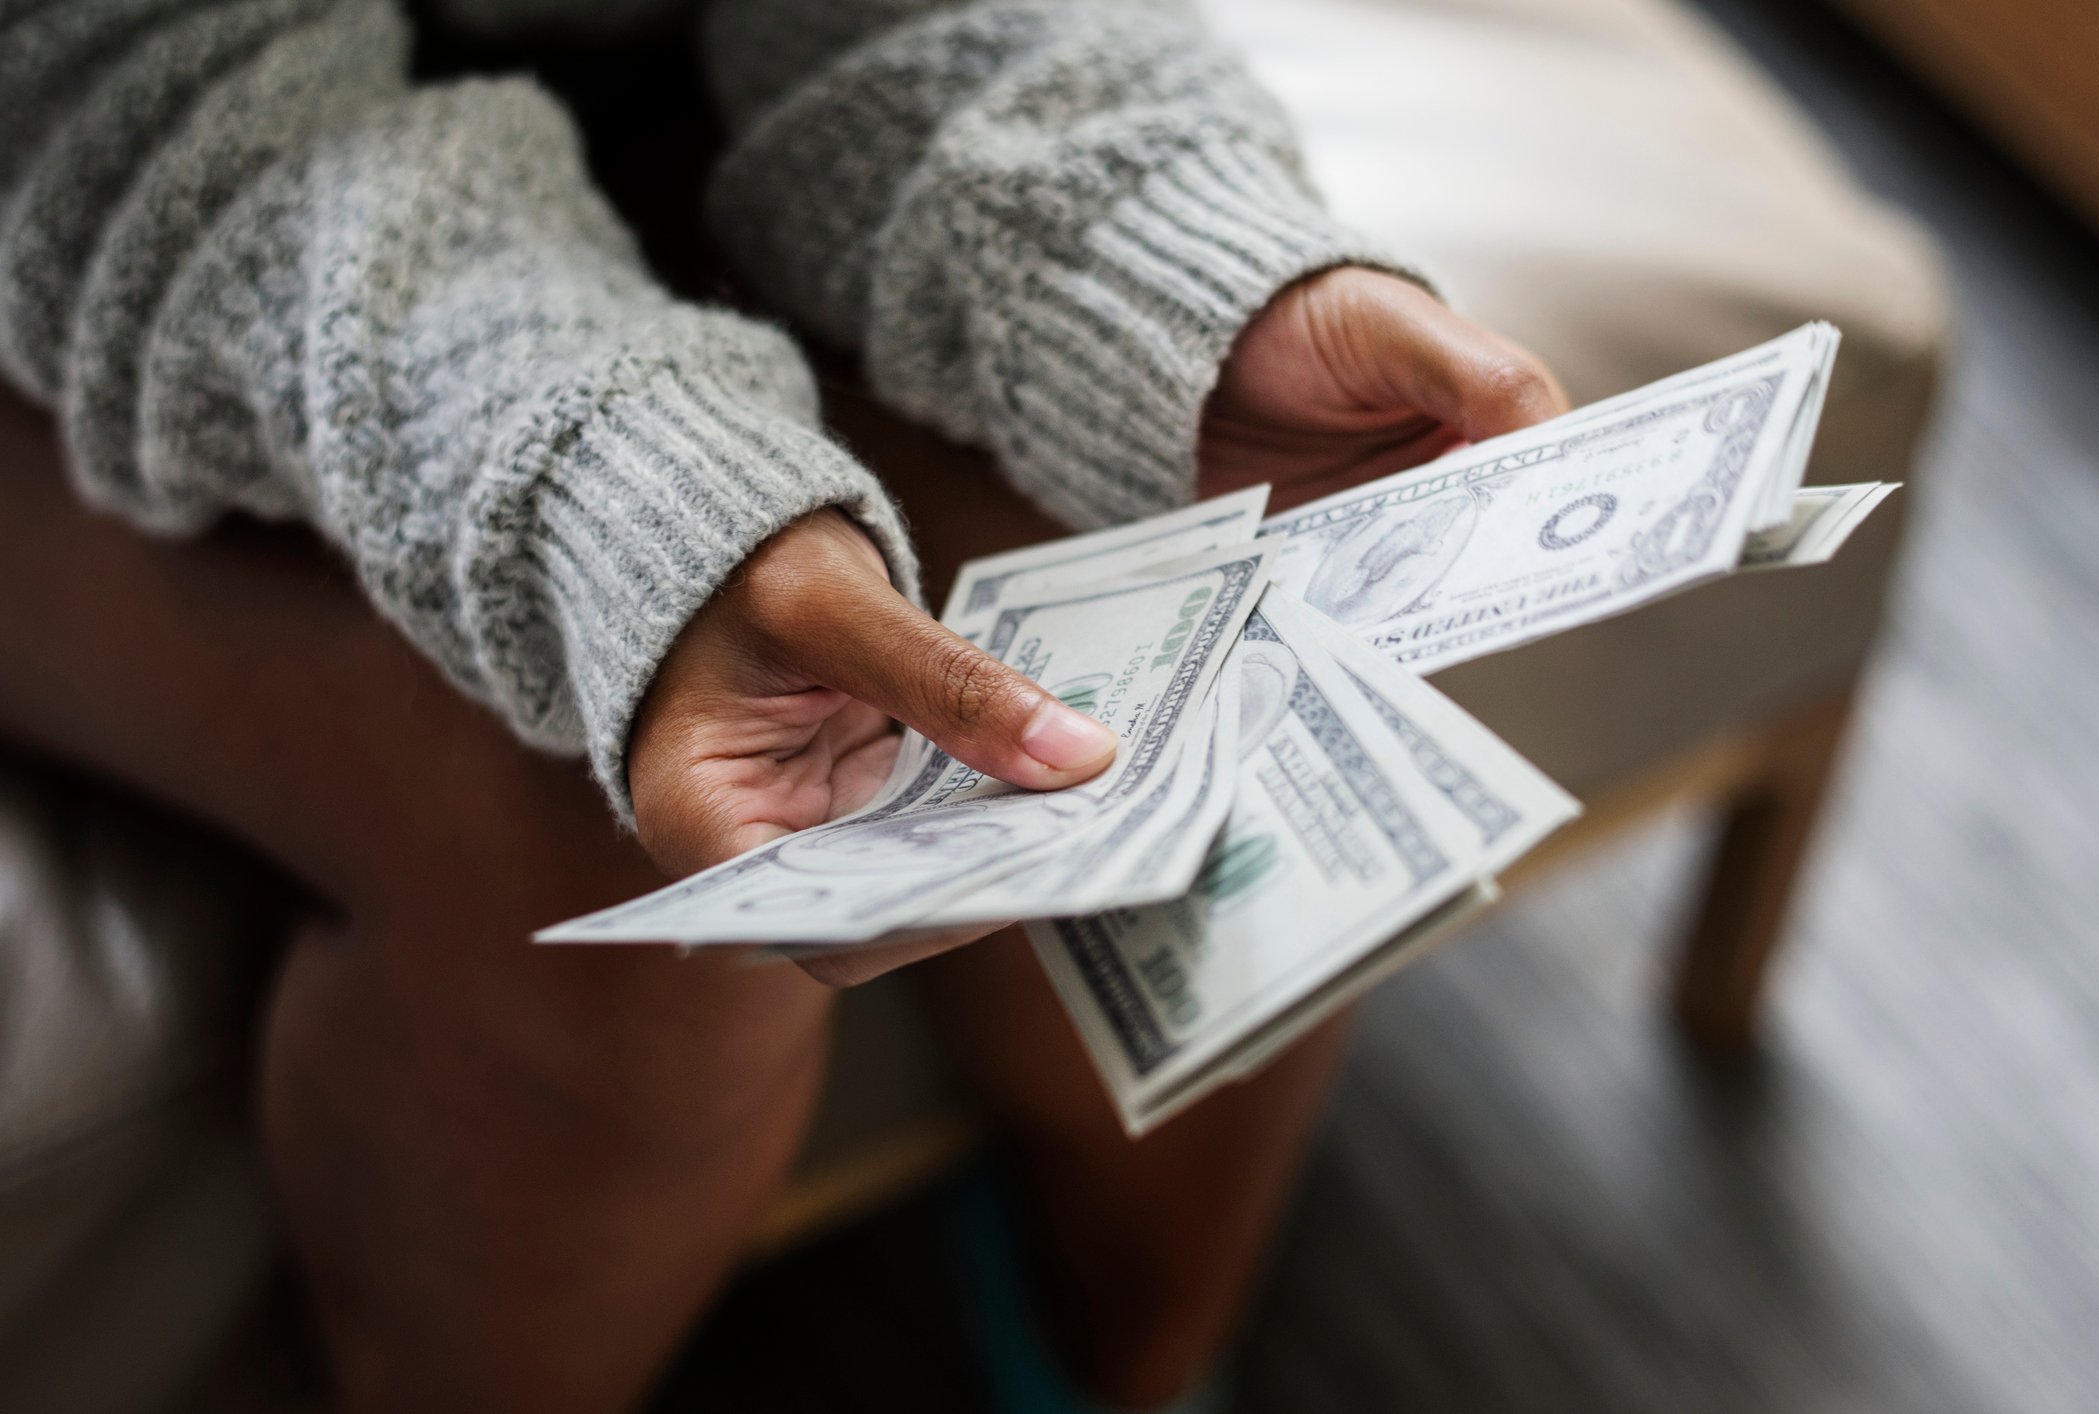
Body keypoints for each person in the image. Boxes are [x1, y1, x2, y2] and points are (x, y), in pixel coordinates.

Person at [0, 0, 1564, 1408]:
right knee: (632, 870)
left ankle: (1132, 1366)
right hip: (85, 183)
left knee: (1196, 602)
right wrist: (627, 489)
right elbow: (124, 95)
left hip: (646, 108)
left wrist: (1166, 258)